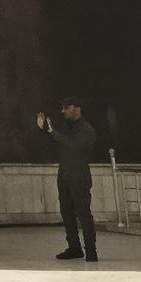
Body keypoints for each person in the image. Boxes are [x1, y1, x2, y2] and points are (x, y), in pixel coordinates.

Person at [36, 96, 98, 262]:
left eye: (67, 107)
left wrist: (52, 132)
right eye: (62, 107)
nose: (63, 111)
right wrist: (45, 130)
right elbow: (60, 142)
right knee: (67, 213)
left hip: (79, 176)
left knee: (83, 213)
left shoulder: (86, 130)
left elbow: (73, 145)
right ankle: (74, 247)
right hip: (65, 175)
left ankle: (91, 251)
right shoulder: (68, 128)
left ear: (77, 109)